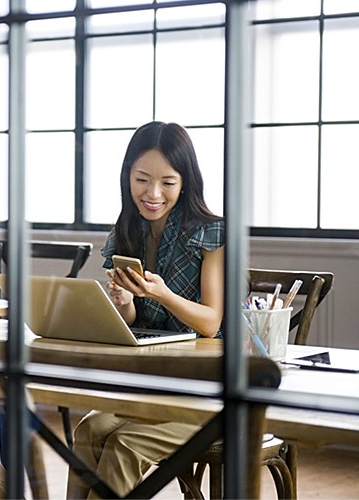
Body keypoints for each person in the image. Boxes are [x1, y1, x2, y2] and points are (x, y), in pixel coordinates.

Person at [66, 121, 225, 499]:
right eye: (142, 180)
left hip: (210, 390)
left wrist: (164, 294)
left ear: (185, 182)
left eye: (168, 183)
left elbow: (211, 323)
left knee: (124, 445)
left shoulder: (211, 233)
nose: (153, 194)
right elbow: (136, 323)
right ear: (127, 177)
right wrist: (123, 304)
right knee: (88, 431)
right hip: (153, 382)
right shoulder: (126, 231)